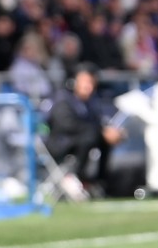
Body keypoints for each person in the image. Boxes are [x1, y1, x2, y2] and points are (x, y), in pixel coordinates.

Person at [46, 64, 124, 194]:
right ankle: (77, 176)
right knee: (90, 136)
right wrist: (100, 131)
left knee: (103, 140)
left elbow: (98, 121)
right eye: (85, 82)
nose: (89, 86)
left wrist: (109, 131)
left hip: (80, 141)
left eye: (92, 82)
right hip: (61, 144)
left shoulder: (91, 102)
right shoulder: (63, 99)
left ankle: (100, 180)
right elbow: (67, 125)